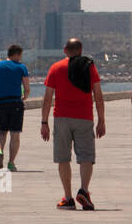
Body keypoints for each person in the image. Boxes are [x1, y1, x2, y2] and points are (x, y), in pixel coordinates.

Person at [41, 39, 105, 210]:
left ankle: (68, 198)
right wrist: (102, 120)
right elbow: (98, 95)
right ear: (81, 50)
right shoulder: (89, 67)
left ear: (64, 50)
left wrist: (44, 122)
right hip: (84, 117)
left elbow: (47, 98)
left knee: (63, 158)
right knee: (86, 157)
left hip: (61, 118)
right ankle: (83, 190)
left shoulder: (55, 67)